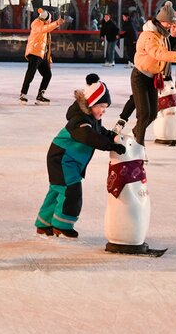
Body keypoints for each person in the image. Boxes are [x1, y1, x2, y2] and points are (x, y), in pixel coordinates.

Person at [35, 74, 126, 239]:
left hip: (67, 160)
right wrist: (110, 146)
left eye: (106, 107)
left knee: (57, 190)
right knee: (71, 191)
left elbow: (99, 132)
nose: (103, 110)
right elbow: (88, 136)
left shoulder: (92, 118)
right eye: (101, 106)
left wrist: (111, 136)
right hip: (62, 159)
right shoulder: (79, 120)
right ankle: (61, 226)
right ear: (91, 103)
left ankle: (44, 224)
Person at [130, 1, 176, 146]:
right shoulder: (150, 36)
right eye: (170, 24)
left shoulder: (162, 35)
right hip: (140, 77)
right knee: (144, 114)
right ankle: (139, 146)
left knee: (153, 113)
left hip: (153, 77)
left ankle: (136, 131)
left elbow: (168, 58)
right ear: (162, 21)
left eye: (175, 25)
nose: (171, 27)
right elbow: (157, 53)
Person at [20, 7, 64, 105]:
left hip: (42, 55)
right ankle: (23, 94)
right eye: (50, 19)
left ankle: (40, 95)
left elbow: (47, 45)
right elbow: (44, 29)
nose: (50, 20)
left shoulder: (45, 26)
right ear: (46, 19)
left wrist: (49, 59)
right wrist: (57, 23)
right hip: (35, 53)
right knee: (30, 74)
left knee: (47, 74)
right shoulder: (37, 24)